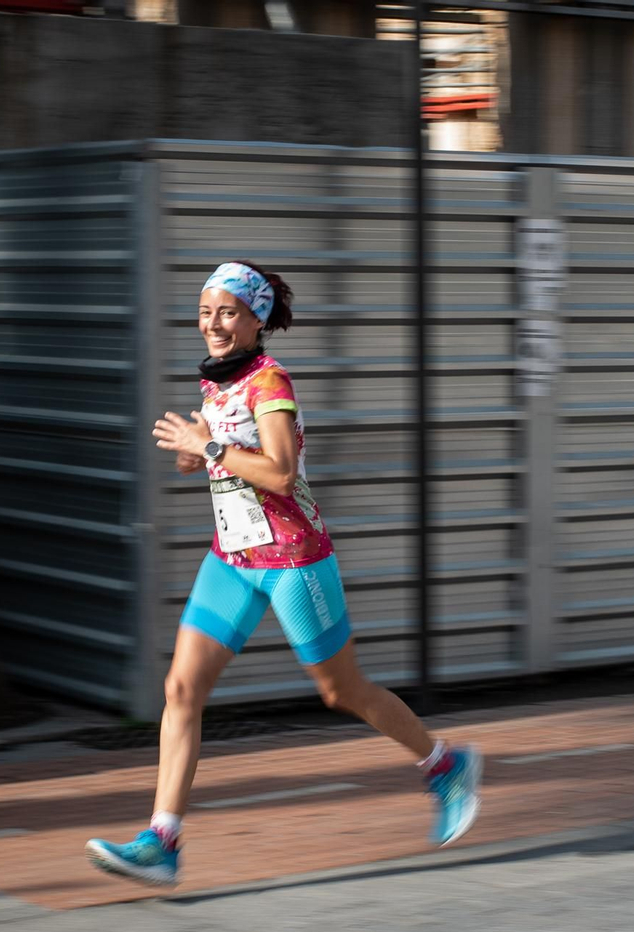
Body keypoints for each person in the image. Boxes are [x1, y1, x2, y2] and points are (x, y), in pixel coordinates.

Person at [86, 261, 481, 886]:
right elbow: (223, 464)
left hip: (294, 560)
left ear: (255, 319)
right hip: (233, 559)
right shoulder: (218, 384)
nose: (212, 324)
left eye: (227, 312)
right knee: (181, 691)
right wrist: (199, 455)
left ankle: (444, 765)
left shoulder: (271, 381)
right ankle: (163, 839)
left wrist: (212, 449)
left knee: (340, 691)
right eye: (205, 311)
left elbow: (279, 473)